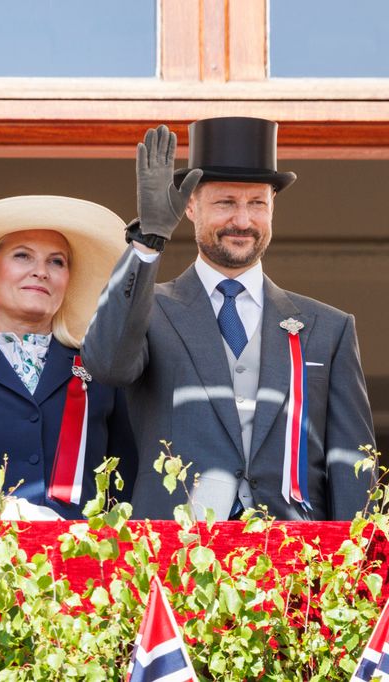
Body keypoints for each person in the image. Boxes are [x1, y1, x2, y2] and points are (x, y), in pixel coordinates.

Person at [81, 117, 375, 521]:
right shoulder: (148, 309)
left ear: (272, 207)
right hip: (175, 557)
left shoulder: (330, 328)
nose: (242, 220)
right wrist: (148, 242)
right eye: (225, 203)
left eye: (257, 203)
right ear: (190, 206)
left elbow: (352, 468)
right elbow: (107, 365)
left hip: (295, 560)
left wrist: (357, 568)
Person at [0, 195, 138, 520]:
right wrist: (6, 511)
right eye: (23, 256)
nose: (41, 272)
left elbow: (125, 484)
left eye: (56, 262)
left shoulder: (101, 372)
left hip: (85, 563)